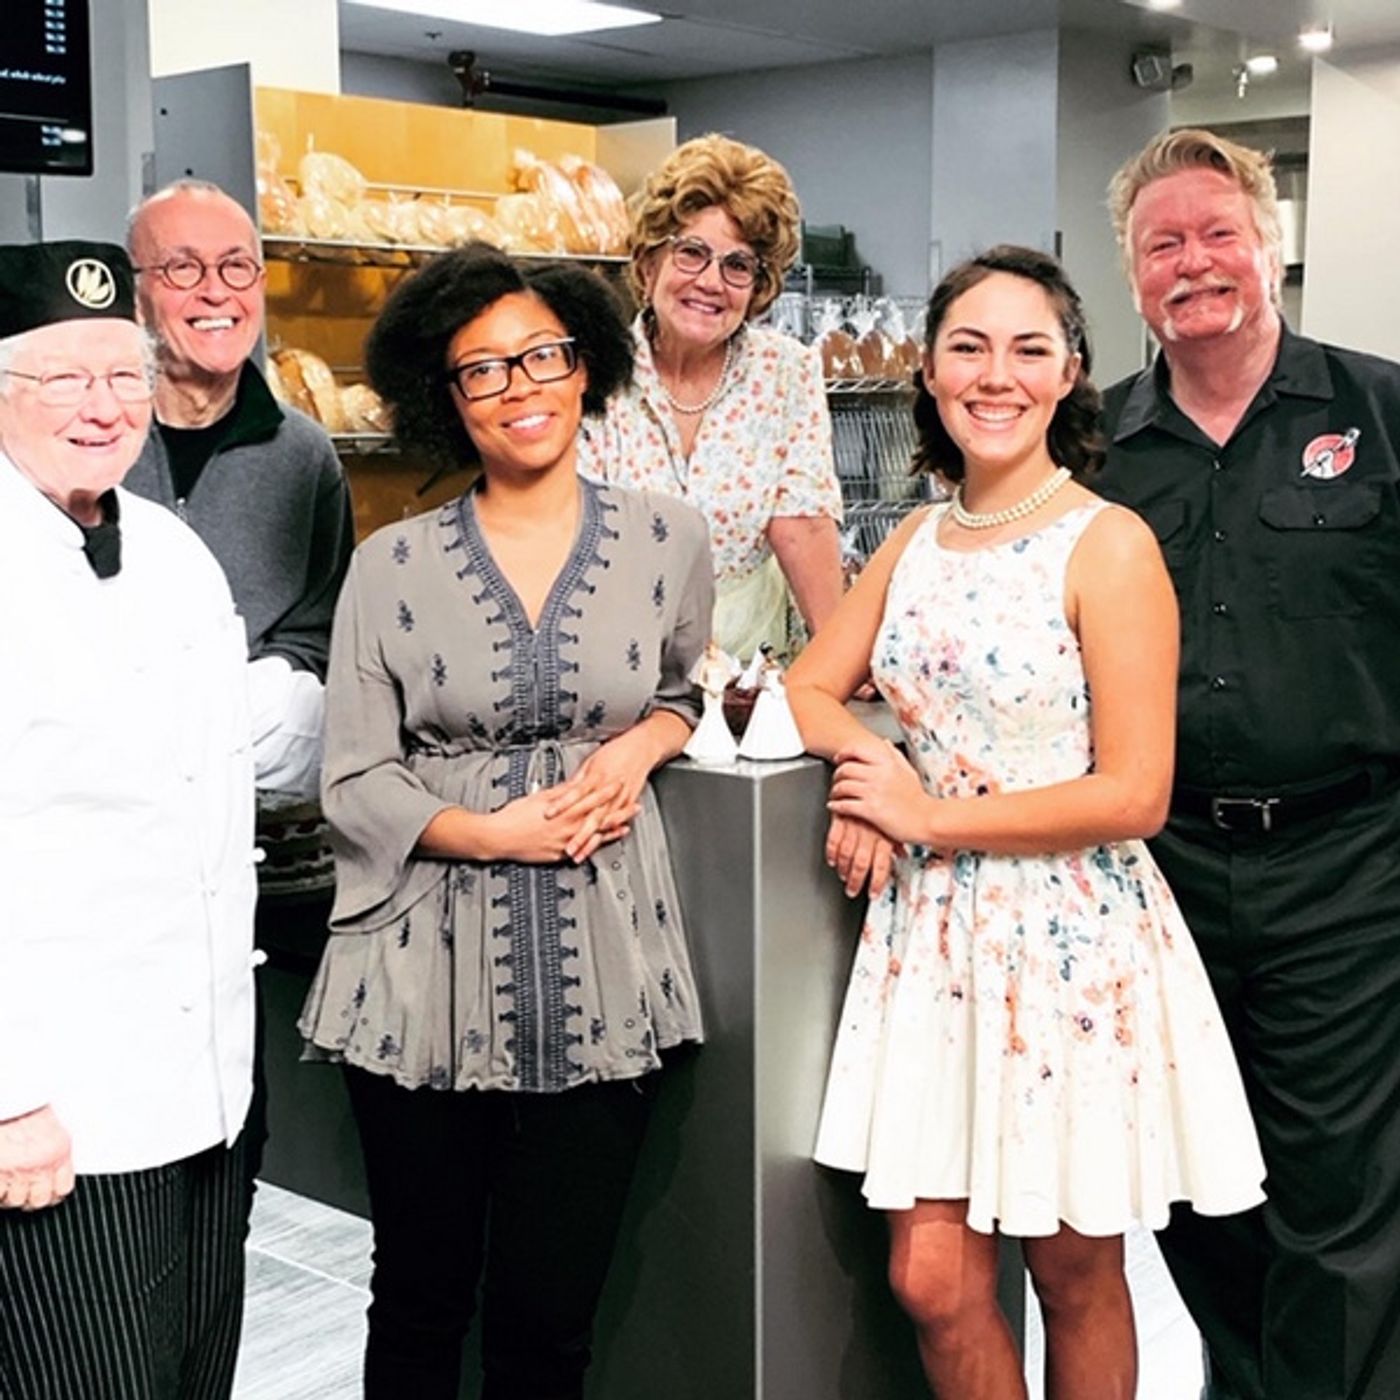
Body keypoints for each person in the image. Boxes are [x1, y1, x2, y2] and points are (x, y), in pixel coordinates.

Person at [785, 245, 1264, 1400]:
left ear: (1067, 375)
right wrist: (876, 759)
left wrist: (923, 816)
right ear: (931, 372)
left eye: (1026, 348)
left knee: (1069, 1266)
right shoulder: (910, 540)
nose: (993, 374)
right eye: (967, 346)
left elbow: (1134, 791)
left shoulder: (1106, 542)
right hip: (932, 949)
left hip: (1067, 938)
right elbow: (810, 685)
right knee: (933, 1277)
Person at [296, 243, 713, 1399]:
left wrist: (641, 743)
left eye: (541, 355)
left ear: (587, 367)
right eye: (482, 371)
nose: (519, 386)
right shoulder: (389, 565)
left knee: (549, 1316)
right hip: (417, 969)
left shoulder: (669, 537)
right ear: (446, 399)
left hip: (605, 965)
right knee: (423, 1295)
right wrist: (492, 833)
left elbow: (681, 688)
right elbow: (354, 777)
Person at [1096, 128, 1400, 1400]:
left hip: (1346, 865)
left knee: (1337, 1193)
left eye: (1216, 232)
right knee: (1191, 1180)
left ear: (1267, 246)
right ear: (1131, 278)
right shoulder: (1094, 447)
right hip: (1157, 872)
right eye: (1161, 243)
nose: (1192, 262)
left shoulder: (1379, 410)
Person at [0, 241, 256, 1398]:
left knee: (192, 1375)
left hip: (207, 1089)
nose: (101, 408)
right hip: (65, 1116)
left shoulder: (172, 550)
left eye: (123, 376)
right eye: (63, 379)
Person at [124, 179, 354, 807]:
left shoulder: (304, 455)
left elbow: (322, 633)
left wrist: (242, 707)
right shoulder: (88, 441)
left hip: (258, 808)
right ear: (136, 295)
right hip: (108, 807)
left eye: (236, 267)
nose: (216, 290)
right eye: (182, 268)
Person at [576, 133, 842, 659]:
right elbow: (569, 539)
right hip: (613, 654)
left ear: (759, 285)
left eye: (737, 265)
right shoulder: (592, 368)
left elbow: (803, 525)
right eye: (691, 253)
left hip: (754, 665)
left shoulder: (786, 372)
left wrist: (840, 658)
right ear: (648, 263)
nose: (711, 282)